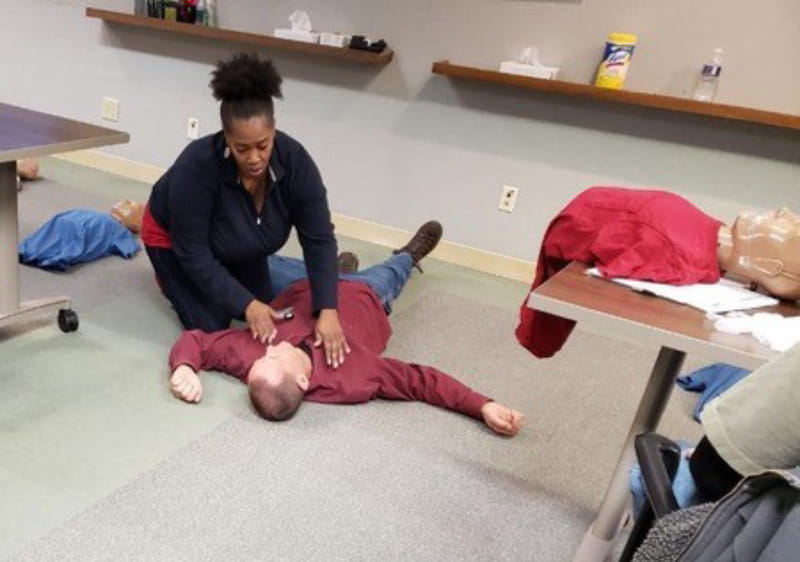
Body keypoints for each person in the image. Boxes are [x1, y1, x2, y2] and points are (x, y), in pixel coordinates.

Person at [167, 221, 524, 437]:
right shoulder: (354, 377)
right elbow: (421, 381)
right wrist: (483, 406)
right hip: (364, 296)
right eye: (274, 358)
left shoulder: (255, 358)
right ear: (303, 382)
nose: (269, 349)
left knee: (258, 263)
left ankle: (336, 266)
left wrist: (184, 366)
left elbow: (198, 341)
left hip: (302, 285)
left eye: (264, 357)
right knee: (390, 275)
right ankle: (408, 255)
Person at [141, 53, 348, 368]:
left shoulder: (296, 162)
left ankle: (336, 275)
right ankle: (168, 278)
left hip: (240, 243)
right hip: (174, 242)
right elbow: (193, 252)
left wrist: (328, 308)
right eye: (242, 148)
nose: (254, 158)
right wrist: (247, 304)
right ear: (226, 138)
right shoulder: (195, 168)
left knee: (275, 305)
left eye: (262, 145)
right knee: (214, 324)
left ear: (274, 131)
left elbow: (318, 237)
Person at [19, 200, 143, 271]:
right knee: (62, 239)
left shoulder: (116, 229)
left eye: (130, 205)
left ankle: (29, 251)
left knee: (53, 237)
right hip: (77, 224)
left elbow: (127, 248)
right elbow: (129, 249)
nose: (124, 203)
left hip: (75, 222)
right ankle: (44, 256)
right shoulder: (116, 229)